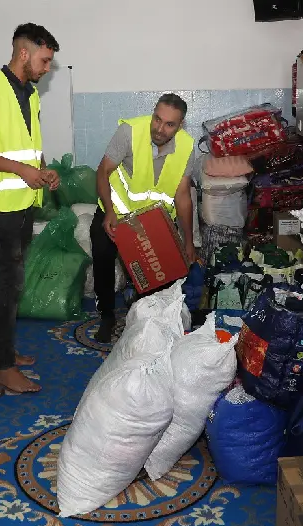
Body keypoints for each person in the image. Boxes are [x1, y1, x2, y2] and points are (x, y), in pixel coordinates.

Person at [0, 23, 60, 394]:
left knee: (9, 283)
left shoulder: (29, 94)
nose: (47, 67)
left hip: (21, 202)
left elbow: (24, 146)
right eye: (44, 60)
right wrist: (22, 170)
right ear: (24, 53)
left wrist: (42, 168)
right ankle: (3, 366)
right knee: (11, 281)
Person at [91, 94, 199, 342]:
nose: (159, 129)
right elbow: (103, 171)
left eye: (169, 124)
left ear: (180, 125)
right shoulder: (129, 131)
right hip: (115, 211)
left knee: (157, 273)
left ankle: (142, 318)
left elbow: (183, 196)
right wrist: (108, 210)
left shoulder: (186, 146)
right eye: (157, 119)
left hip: (154, 220)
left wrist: (188, 241)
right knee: (103, 256)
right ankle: (107, 316)